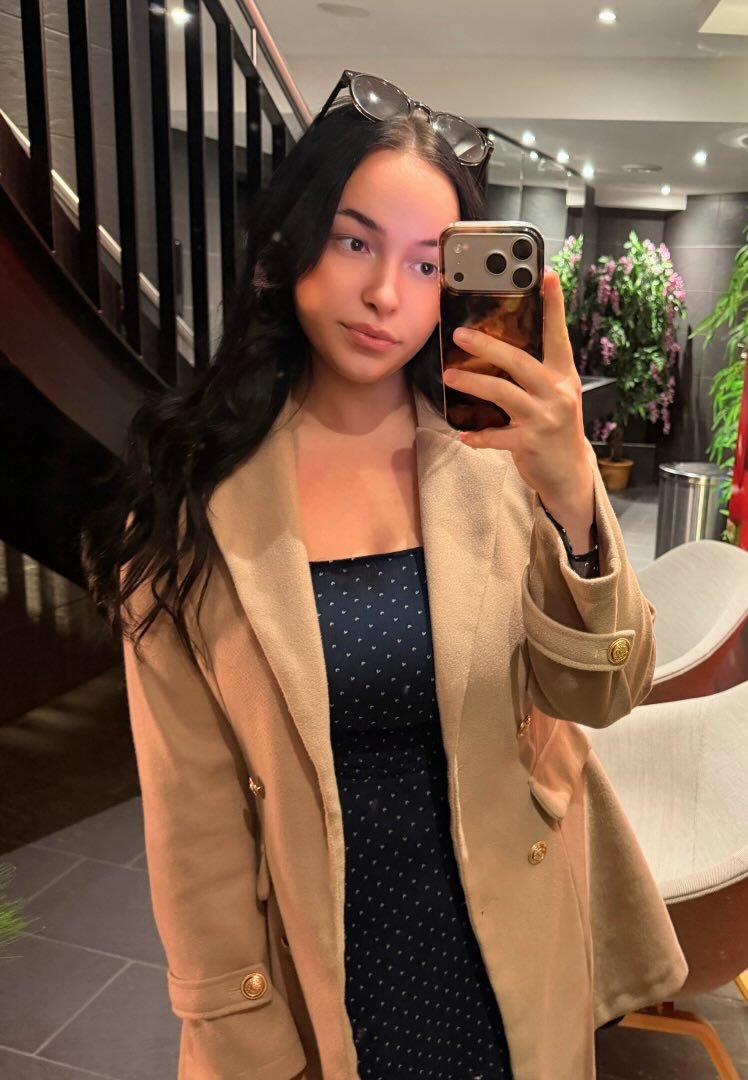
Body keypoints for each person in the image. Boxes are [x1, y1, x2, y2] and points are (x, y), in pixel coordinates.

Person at [82, 73, 687, 1080]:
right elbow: (192, 819)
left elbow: (604, 694)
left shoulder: (497, 464)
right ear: (287, 248)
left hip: (510, 944)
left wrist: (575, 495)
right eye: (355, 242)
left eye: (425, 263)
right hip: (327, 962)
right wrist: (240, 1032)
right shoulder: (190, 507)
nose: (385, 296)